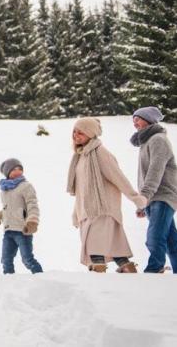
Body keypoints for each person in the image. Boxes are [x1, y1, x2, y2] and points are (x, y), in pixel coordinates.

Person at [67, 117, 147, 273]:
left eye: (80, 132)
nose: (76, 135)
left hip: (102, 207)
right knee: (113, 243)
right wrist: (75, 213)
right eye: (74, 132)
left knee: (94, 243)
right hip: (88, 209)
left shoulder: (100, 153)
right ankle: (126, 266)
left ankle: (98, 272)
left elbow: (118, 178)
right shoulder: (80, 156)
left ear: (91, 133)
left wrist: (136, 199)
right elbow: (80, 190)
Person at [130, 106, 177, 273]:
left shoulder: (158, 139)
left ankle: (154, 269)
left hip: (163, 196)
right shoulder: (147, 141)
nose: (134, 122)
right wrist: (143, 202)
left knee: (154, 238)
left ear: (149, 119)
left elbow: (155, 171)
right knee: (171, 241)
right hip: (153, 197)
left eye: (138, 118)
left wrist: (144, 197)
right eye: (133, 119)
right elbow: (144, 175)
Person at [0, 158, 43, 274]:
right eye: (14, 169)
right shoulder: (4, 191)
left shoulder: (26, 186)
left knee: (27, 259)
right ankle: (9, 283)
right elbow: (10, 210)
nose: (18, 171)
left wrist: (32, 221)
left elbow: (32, 204)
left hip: (23, 230)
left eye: (20, 169)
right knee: (5, 260)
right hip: (8, 231)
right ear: (7, 173)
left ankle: (41, 278)